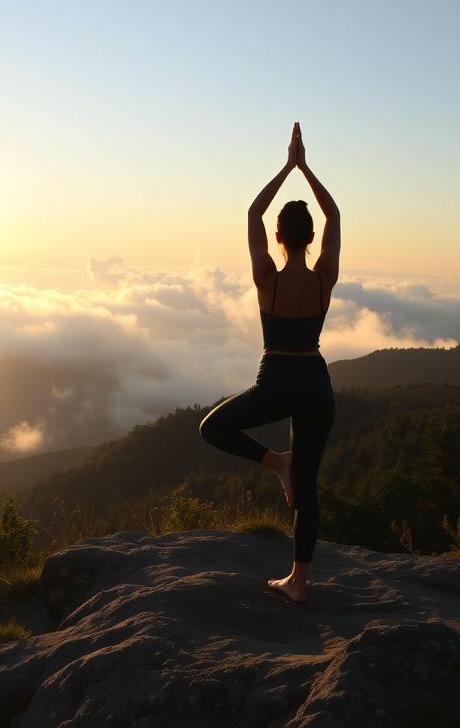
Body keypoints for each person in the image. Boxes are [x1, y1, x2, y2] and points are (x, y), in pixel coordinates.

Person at [198, 121, 340, 604]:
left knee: (211, 428)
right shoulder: (325, 277)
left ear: (278, 236)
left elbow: (253, 210)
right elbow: (336, 212)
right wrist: (307, 168)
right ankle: (299, 582)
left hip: (277, 379)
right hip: (317, 384)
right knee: (309, 486)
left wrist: (287, 167)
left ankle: (275, 461)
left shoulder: (267, 278)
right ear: (313, 237)